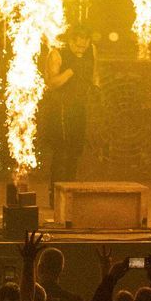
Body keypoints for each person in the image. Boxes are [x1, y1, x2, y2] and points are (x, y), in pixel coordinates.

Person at [43, 24, 97, 192]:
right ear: (70, 42)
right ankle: (56, 195)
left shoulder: (91, 49)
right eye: (78, 45)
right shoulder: (57, 53)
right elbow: (51, 83)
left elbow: (94, 72)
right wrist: (71, 71)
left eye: (84, 45)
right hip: (60, 107)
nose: (81, 49)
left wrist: (96, 88)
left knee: (75, 150)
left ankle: (70, 193)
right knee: (61, 152)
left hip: (79, 106)